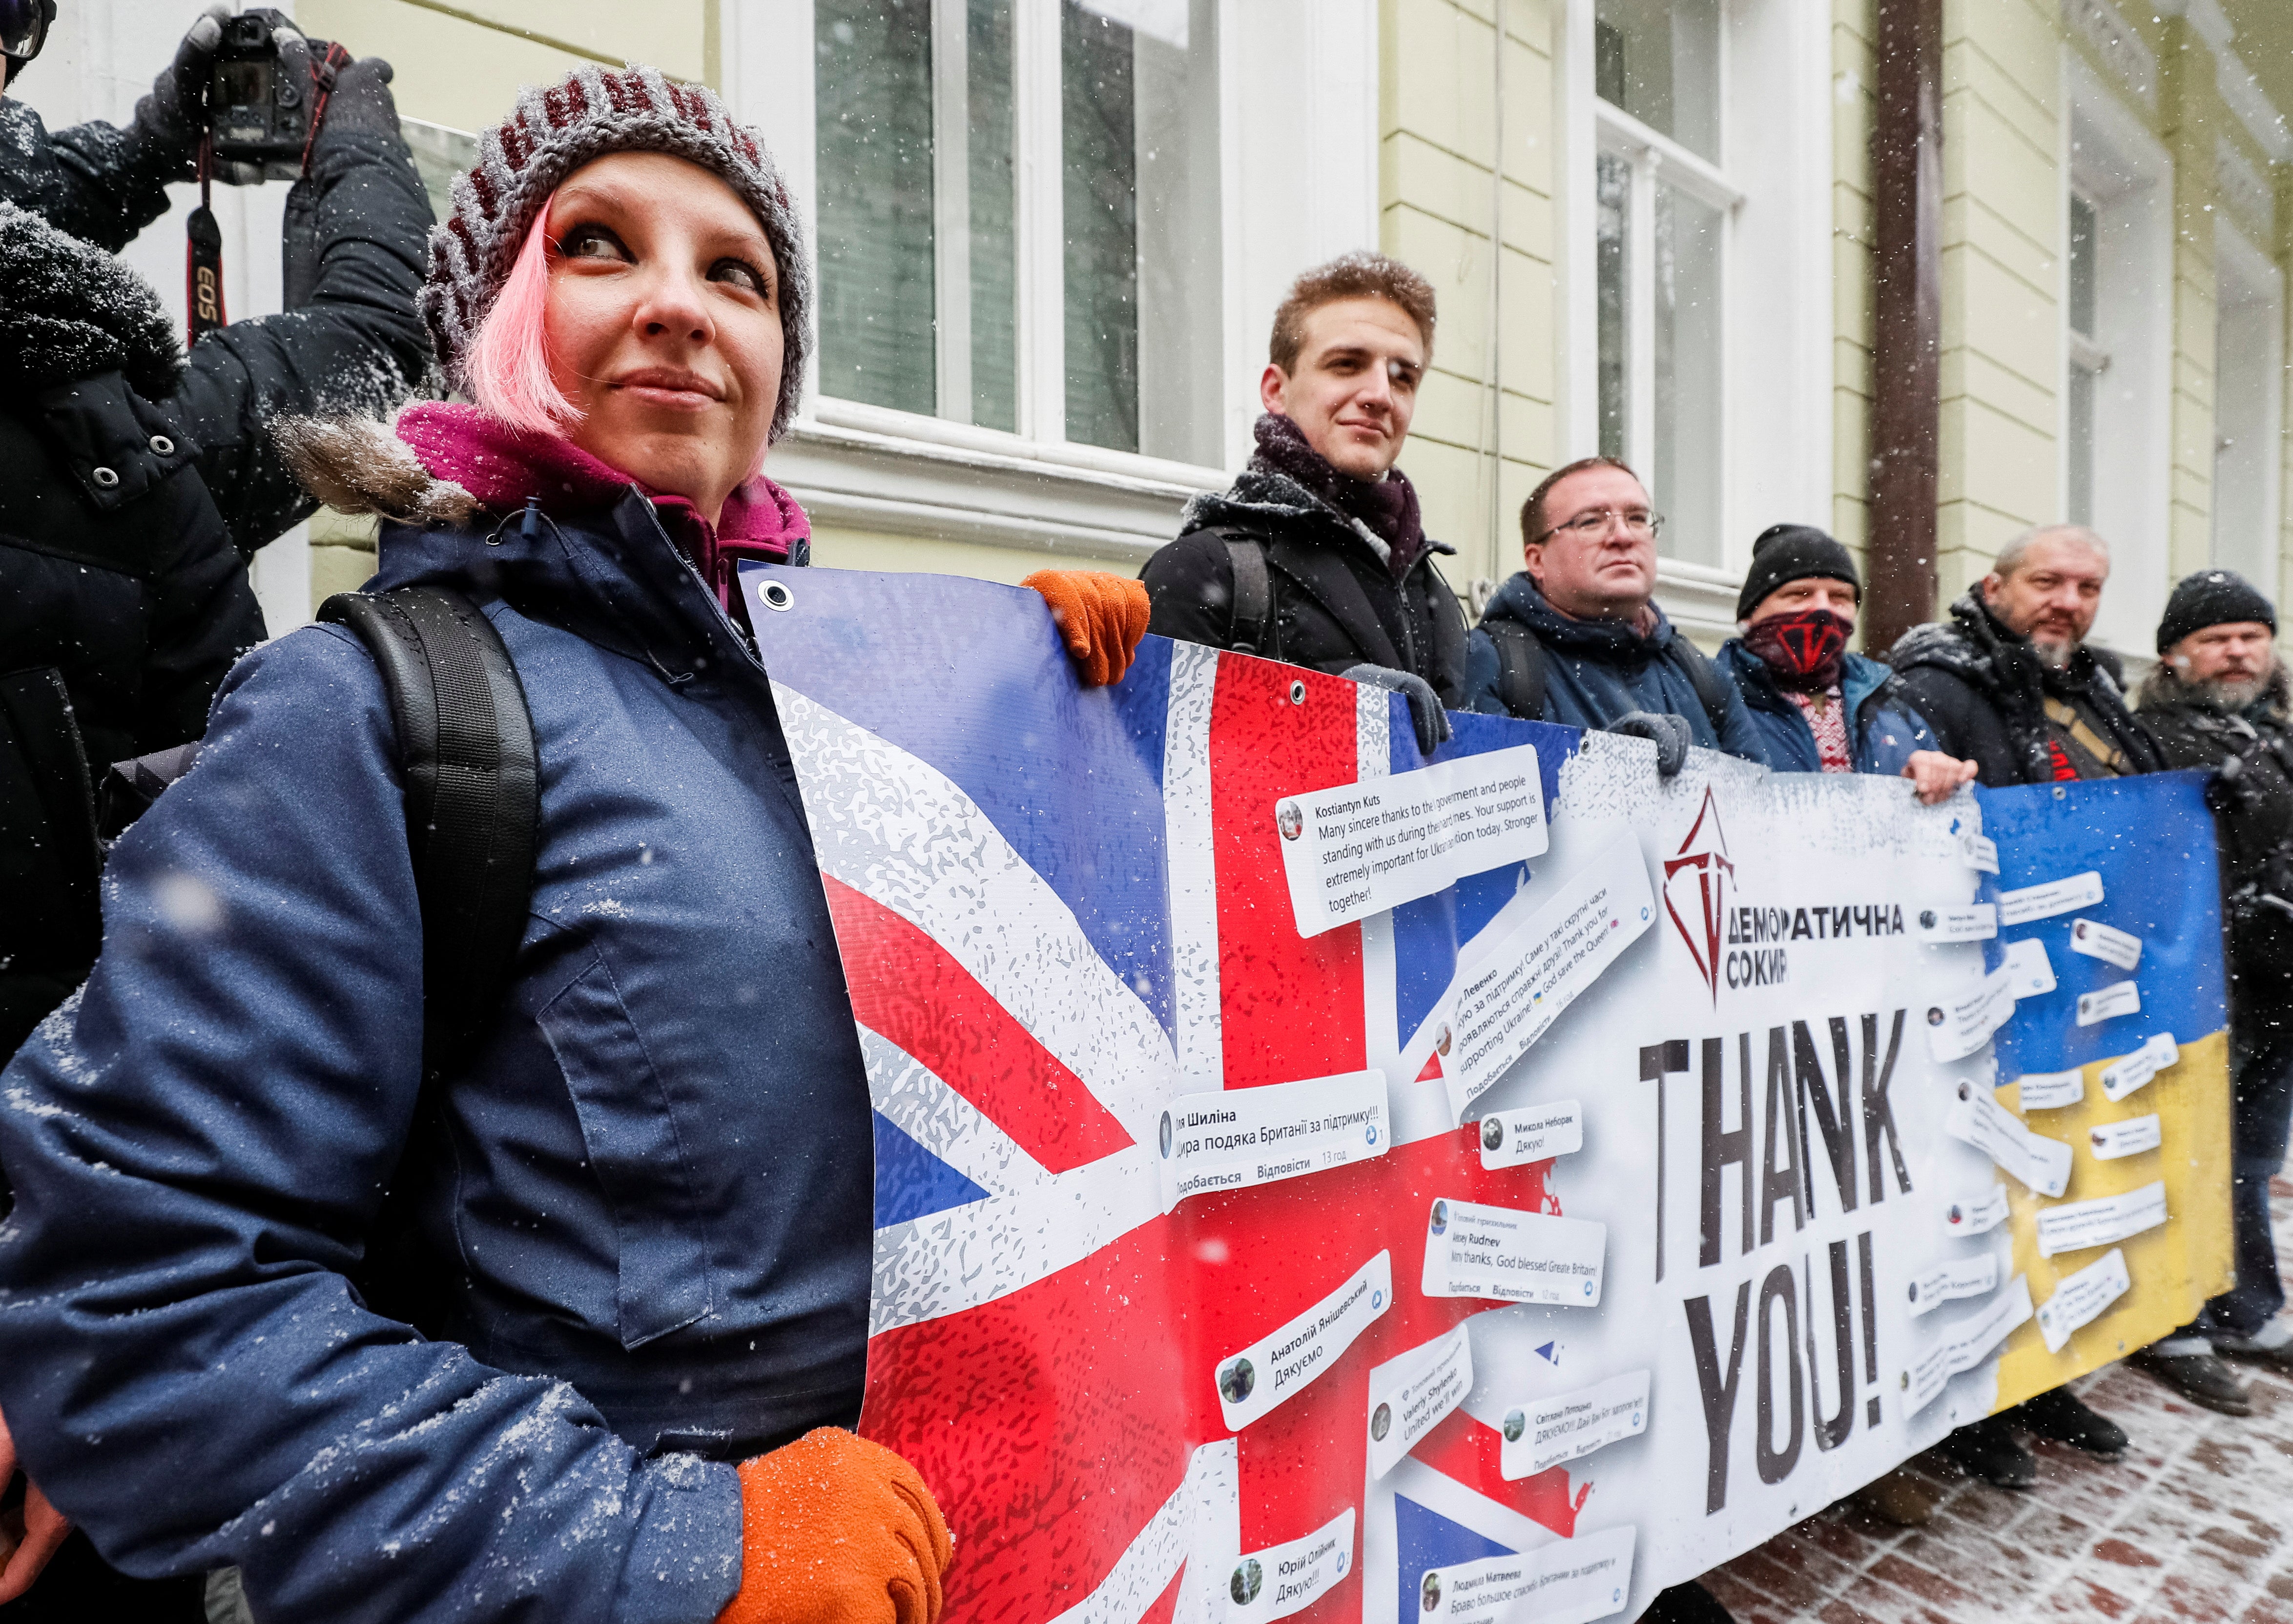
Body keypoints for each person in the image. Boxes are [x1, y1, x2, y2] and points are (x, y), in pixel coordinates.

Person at [0, 64, 1147, 1621]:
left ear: (774, 362)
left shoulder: (865, 708)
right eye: (598, 245)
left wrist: (1053, 726)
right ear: (497, 318)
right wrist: (678, 1549)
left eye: (733, 272)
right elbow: (141, 1308)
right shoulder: (365, 711)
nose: (678, 304)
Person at [0, 5, 431, 1060]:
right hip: (77, 1154)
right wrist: (353, 135)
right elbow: (365, 347)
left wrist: (154, 142)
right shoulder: (91, 449)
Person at [1886, 524, 2159, 1485]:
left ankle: (2043, 1374)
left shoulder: (2092, 689)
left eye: (2086, 585)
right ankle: (1971, 1406)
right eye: (2046, 581)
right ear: (1990, 586)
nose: (2067, 601)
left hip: (2083, 985)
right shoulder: (1935, 685)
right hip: (1975, 987)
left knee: (2061, 1190)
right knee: (1974, 1202)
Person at [1141, 252, 1466, 756]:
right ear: (1276, 389)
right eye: (1346, 365)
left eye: (1402, 377)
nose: (1380, 394)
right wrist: (1326, 708)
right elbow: (1151, 782)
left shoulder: (1435, 594)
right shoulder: (1204, 569)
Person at [2133, 570, 2293, 1412]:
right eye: (2216, 637)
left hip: (2282, 990)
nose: (2236, 651)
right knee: (2186, 1157)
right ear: (2175, 653)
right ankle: (2173, 1317)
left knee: (2252, 1162)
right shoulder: (2150, 739)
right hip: (2199, 992)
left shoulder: (2279, 731)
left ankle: (2245, 1306)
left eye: (2250, 635)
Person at [1463, 455, 1757, 774]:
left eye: (1637, 518)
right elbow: (1486, 809)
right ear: (1537, 560)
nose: (1622, 536)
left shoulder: (1700, 672)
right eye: (1590, 521)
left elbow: (1756, 810)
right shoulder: (1490, 662)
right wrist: (1601, 769)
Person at [1719, 523, 1976, 805]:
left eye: (1839, 597)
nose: (1822, 609)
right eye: (1800, 594)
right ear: (1749, 614)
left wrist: (1929, 779)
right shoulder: (1710, 695)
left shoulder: (1892, 704)